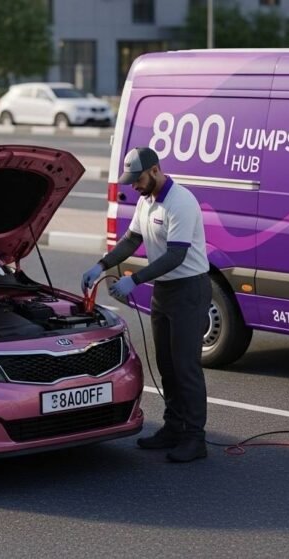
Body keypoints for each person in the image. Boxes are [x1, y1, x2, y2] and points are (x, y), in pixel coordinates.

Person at [81, 147, 212, 463]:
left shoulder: (181, 202)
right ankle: (173, 428)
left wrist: (134, 280)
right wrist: (102, 265)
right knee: (166, 365)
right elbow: (131, 241)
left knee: (186, 367)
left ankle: (195, 438)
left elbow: (175, 255)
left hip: (190, 289)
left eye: (137, 179)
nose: (133, 186)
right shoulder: (145, 201)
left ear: (155, 170)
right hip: (165, 291)